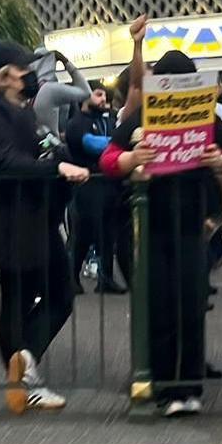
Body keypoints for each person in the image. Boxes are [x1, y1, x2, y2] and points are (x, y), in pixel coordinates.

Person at [102, 49, 222, 416]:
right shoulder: (141, 115)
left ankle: (187, 386)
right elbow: (108, 158)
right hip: (152, 226)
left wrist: (221, 160)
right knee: (160, 305)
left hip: (191, 224)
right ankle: (164, 384)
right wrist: (132, 160)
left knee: (190, 303)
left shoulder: (206, 118)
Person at [0, 39, 90, 414]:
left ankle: (22, 367)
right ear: (5, 76)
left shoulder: (18, 110)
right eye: (25, 69)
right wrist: (54, 166)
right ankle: (24, 375)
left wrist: (60, 158)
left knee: (48, 295)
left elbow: (44, 146)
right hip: (13, 221)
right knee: (29, 297)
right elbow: (0, 160)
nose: (32, 75)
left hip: (35, 218)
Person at [65, 84, 129, 295]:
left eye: (105, 95)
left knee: (108, 233)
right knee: (83, 233)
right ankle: (70, 278)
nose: (103, 99)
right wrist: (117, 144)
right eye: (98, 94)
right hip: (87, 184)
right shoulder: (77, 123)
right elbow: (90, 144)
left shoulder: (108, 120)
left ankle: (106, 278)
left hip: (110, 184)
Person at [29, 46, 91, 141]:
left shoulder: (29, 91)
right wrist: (66, 63)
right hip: (54, 148)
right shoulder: (51, 89)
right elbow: (86, 92)